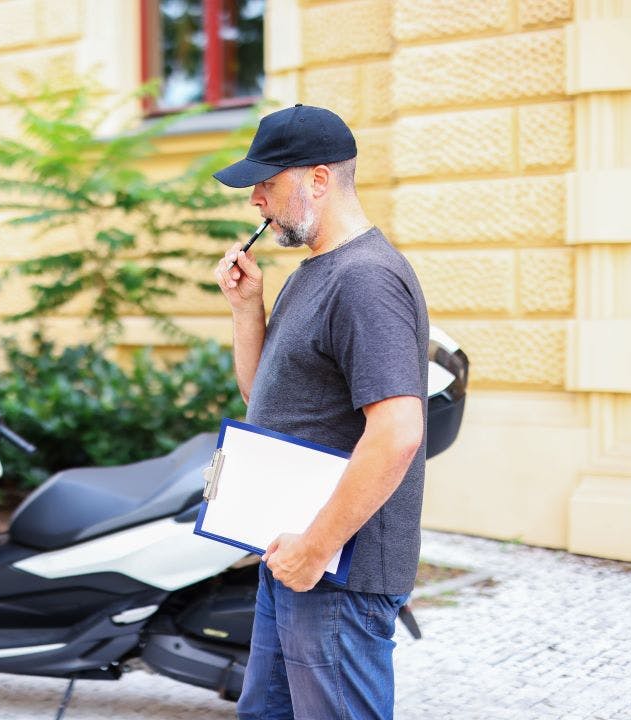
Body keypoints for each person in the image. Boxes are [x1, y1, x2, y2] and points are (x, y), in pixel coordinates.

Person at [211, 104, 430, 719]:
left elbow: (397, 433)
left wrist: (315, 547)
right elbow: (267, 403)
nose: (256, 199)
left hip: (339, 567)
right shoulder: (315, 274)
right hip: (295, 556)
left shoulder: (366, 280)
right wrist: (246, 310)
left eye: (266, 181)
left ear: (318, 178)